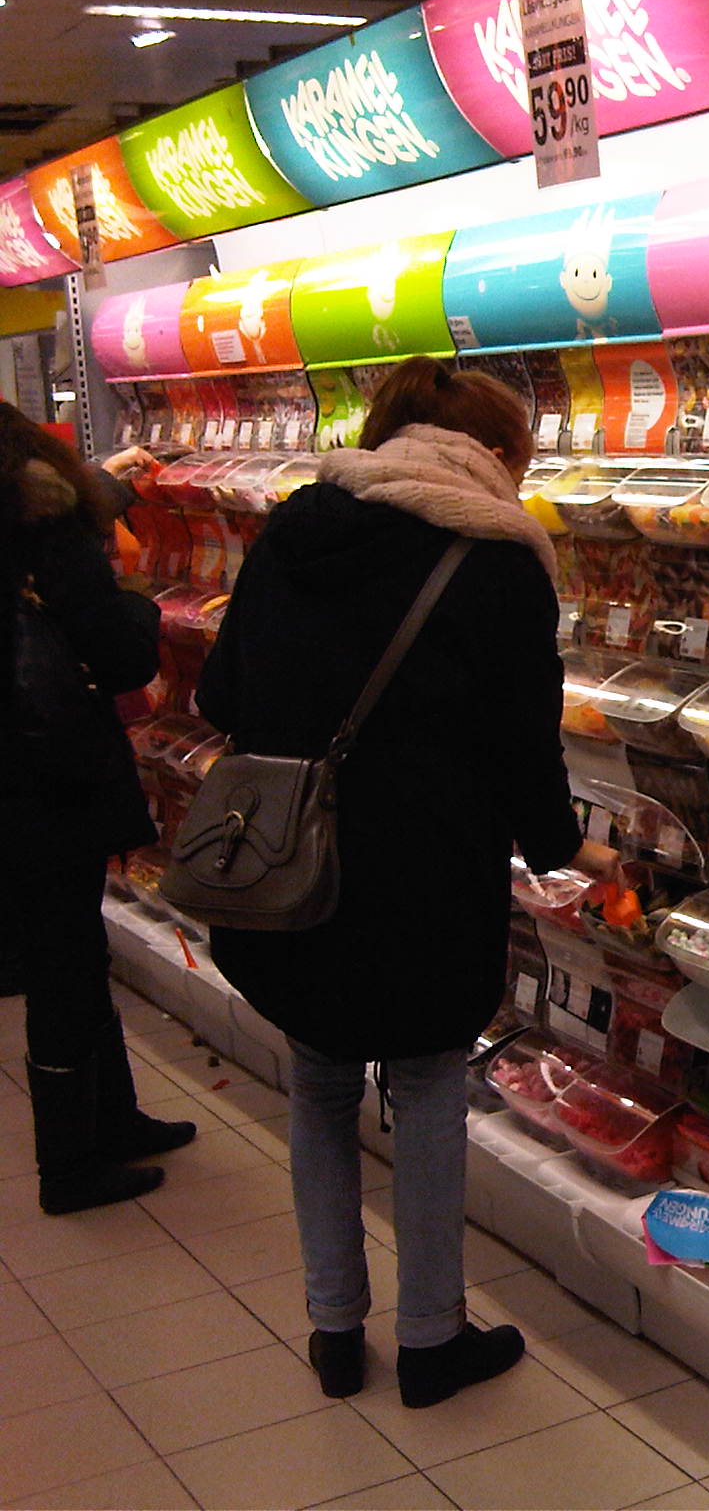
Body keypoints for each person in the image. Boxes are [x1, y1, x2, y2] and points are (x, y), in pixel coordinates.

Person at [197, 357, 617, 1408]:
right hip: (428, 870)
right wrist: (570, 850)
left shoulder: (295, 527)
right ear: (493, 453)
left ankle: (334, 1327)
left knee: (320, 1083)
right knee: (427, 1086)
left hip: (297, 866)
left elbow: (219, 692)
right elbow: (523, 750)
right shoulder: (496, 559)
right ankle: (431, 1338)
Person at [0, 407, 195, 1215]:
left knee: (71, 949)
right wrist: (143, 610)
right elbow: (117, 652)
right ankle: (71, 1162)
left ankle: (112, 1118)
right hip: (49, 776)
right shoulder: (45, 529)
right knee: (67, 961)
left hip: (17, 777)